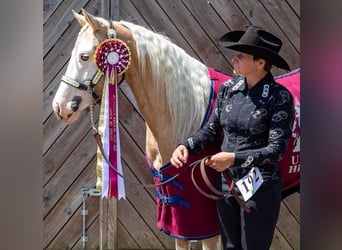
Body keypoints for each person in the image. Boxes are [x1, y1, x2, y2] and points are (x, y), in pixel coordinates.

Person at [170, 26, 295, 250]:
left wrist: (233, 158)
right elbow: (212, 129)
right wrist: (186, 146)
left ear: (260, 63)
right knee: (229, 247)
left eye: (241, 56)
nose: (233, 58)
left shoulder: (279, 97)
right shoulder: (228, 89)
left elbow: (276, 150)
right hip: (227, 183)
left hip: (261, 185)